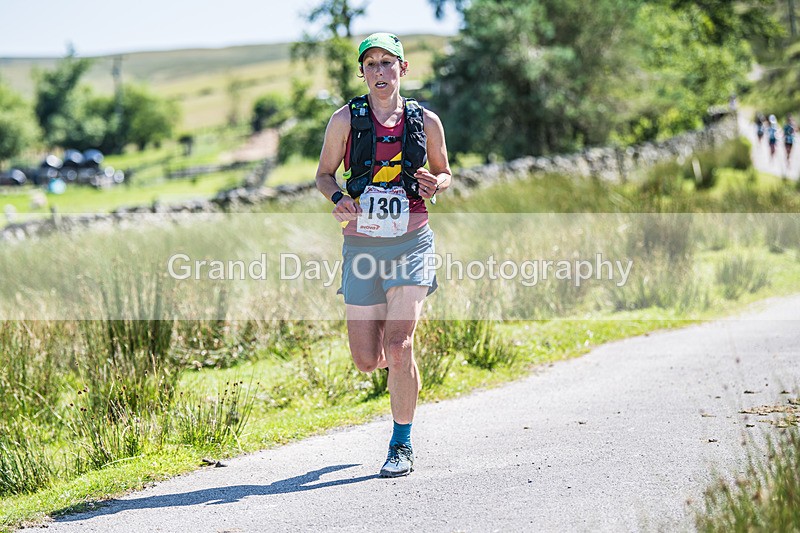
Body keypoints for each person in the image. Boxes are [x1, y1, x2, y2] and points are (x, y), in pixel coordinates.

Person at [315, 32, 452, 477]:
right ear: (362, 72)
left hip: (412, 239)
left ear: (403, 69)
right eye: (370, 63)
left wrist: (439, 183)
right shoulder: (344, 120)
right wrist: (338, 198)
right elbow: (323, 175)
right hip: (362, 243)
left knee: (399, 343)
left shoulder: (425, 120)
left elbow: (444, 171)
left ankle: (401, 442)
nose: (379, 71)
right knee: (366, 359)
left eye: (387, 63)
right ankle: (399, 368)